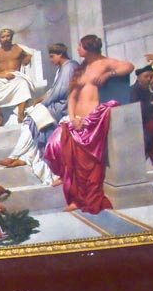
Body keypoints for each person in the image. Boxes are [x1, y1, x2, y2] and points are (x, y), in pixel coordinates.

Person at [43, 34, 134, 213]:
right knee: (55, 148)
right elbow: (72, 96)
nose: (77, 49)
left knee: (86, 165)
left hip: (92, 121)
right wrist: (72, 117)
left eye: (80, 46)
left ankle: (82, 200)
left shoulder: (104, 64)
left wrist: (110, 74)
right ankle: (73, 194)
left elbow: (129, 66)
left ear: (89, 47)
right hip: (76, 120)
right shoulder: (80, 69)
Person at [0, 43, 78, 186]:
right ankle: (23, 157)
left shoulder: (70, 67)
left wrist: (43, 102)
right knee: (32, 122)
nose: (51, 60)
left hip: (63, 107)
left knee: (31, 120)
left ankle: (15, 155)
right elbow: (54, 90)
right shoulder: (62, 68)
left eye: (52, 57)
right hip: (56, 103)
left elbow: (61, 92)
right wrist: (41, 99)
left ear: (60, 55)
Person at [0, 29, 35, 127]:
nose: (6, 39)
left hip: (15, 77)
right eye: (3, 37)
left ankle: (21, 113)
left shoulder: (19, 49)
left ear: (11, 37)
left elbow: (27, 57)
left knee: (23, 84)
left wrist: (26, 59)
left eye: (8, 36)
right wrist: (4, 76)